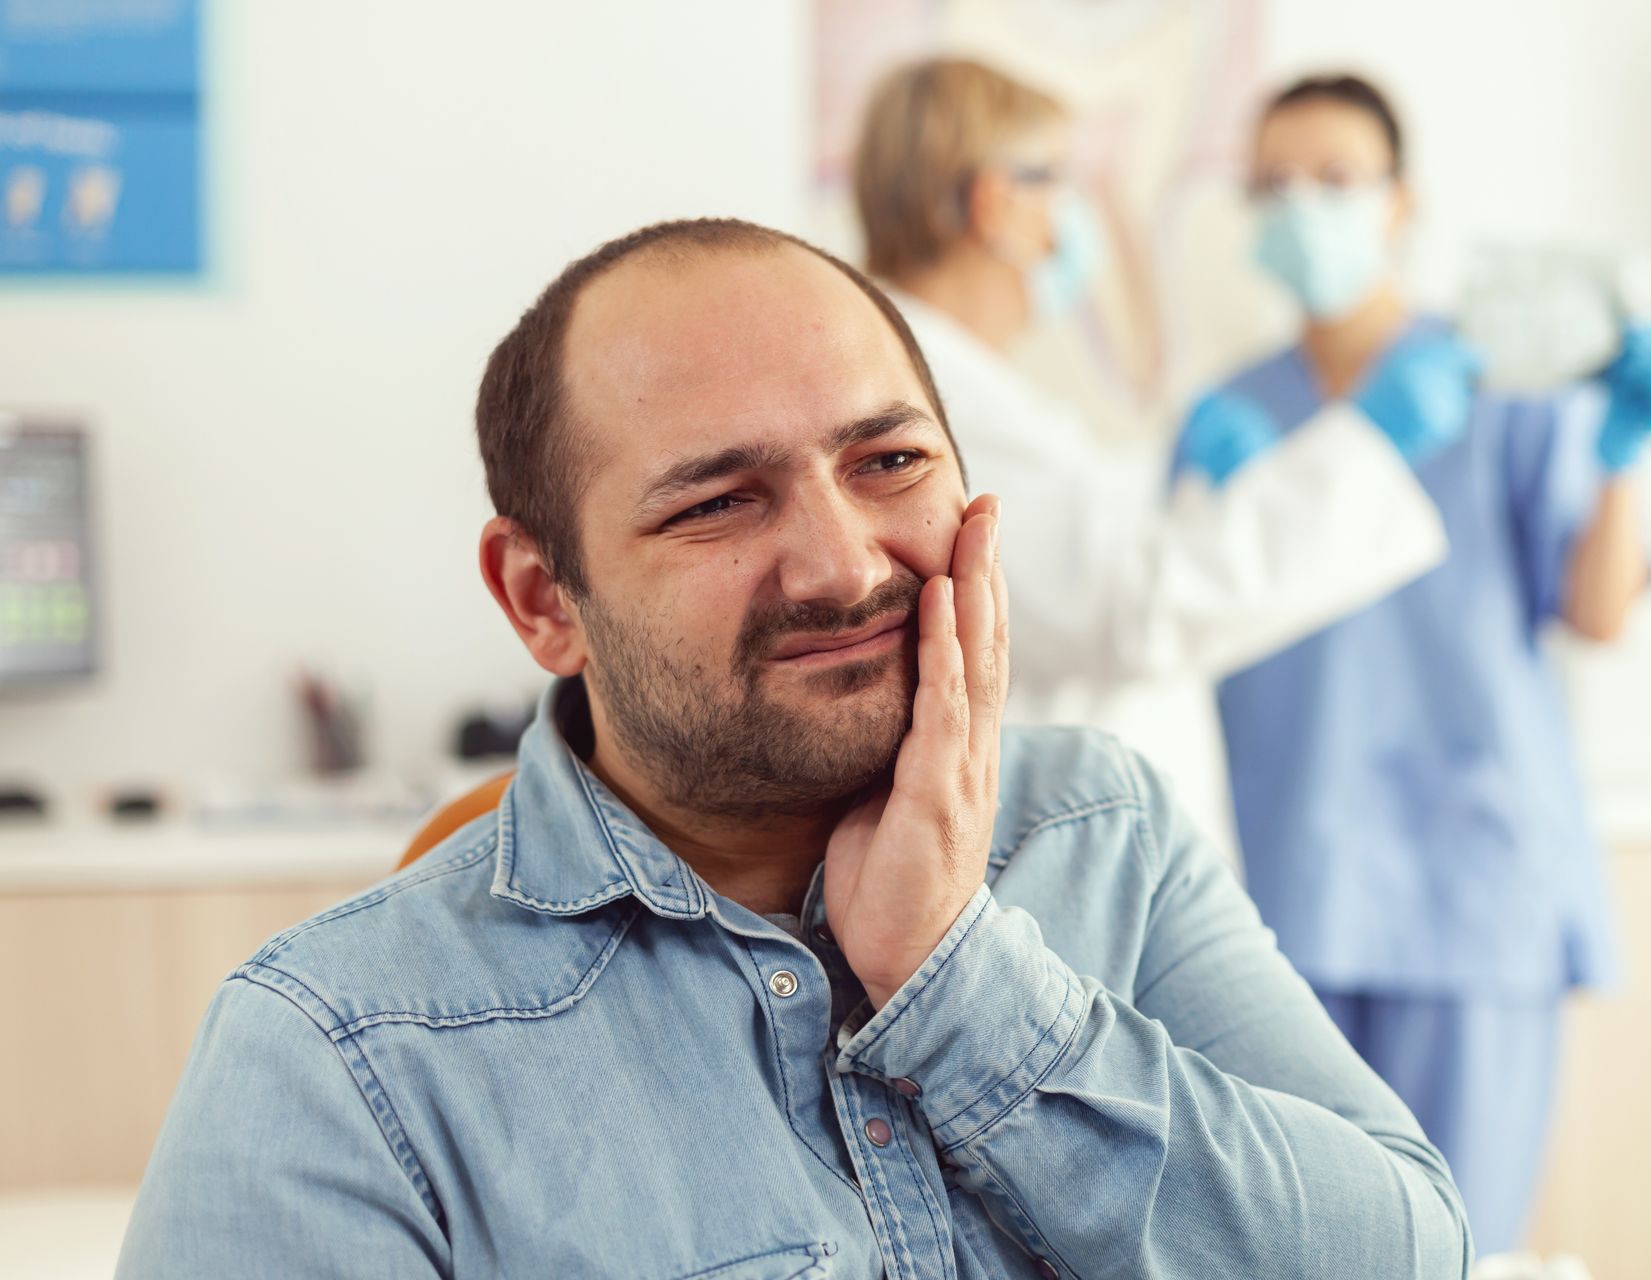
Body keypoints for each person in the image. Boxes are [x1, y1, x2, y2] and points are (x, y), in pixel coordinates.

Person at [117, 218, 1471, 1276]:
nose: (841, 565)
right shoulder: (340, 1052)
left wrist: (963, 978)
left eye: (889, 463)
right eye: (719, 502)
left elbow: (1404, 1256)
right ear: (543, 598)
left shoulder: (1095, 831)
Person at [1172, 75, 1651, 1257]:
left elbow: (1599, 613)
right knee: (1295, 1245)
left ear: (1402, 203)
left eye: (1335, 179)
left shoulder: (1496, 380)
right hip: (1281, 892)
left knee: (1452, 1246)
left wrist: (1620, 457)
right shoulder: (1225, 414)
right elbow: (1167, 630)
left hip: (1474, 885)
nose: (1302, 206)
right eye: (1275, 184)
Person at [851, 57, 1482, 857]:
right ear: (997, 204)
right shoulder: (942, 401)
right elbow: (1130, 605)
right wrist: (1367, 450)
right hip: (1064, 847)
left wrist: (1181, 494)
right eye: (1064, 185)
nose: (1080, 218)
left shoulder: (956, 388)